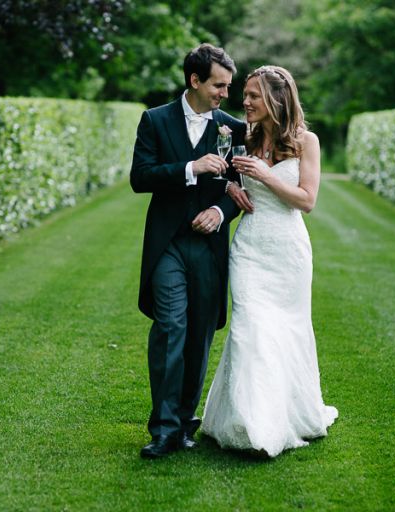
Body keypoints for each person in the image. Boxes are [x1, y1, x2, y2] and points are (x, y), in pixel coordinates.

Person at [202, 65, 338, 458]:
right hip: (249, 249)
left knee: (286, 331)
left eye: (253, 96)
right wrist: (228, 184)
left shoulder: (305, 141)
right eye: (244, 95)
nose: (244, 102)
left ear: (278, 99)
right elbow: (217, 175)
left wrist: (265, 174)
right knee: (251, 329)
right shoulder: (241, 136)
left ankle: (281, 417)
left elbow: (306, 201)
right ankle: (250, 422)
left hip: (288, 252)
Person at [130, 44, 246, 459]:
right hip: (167, 244)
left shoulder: (234, 127)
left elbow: (244, 191)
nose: (224, 94)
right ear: (195, 80)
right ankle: (162, 429)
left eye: (228, 86)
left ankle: (183, 421)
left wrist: (220, 210)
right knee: (170, 328)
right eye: (219, 85)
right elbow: (140, 177)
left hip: (209, 248)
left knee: (199, 333)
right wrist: (189, 169)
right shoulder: (155, 120)